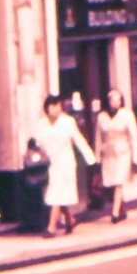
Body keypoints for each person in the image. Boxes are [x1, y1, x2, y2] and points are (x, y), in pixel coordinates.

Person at [34, 94, 96, 236]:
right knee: (59, 195)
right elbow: (37, 144)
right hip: (49, 165)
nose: (56, 108)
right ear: (47, 108)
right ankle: (69, 220)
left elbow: (78, 140)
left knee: (55, 194)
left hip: (65, 164)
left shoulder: (68, 122)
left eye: (58, 105)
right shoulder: (41, 124)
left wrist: (90, 158)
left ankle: (51, 227)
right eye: (53, 105)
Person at [95, 89, 137, 223]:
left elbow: (134, 136)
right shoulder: (102, 117)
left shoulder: (127, 115)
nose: (116, 102)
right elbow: (98, 137)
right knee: (113, 181)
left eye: (118, 100)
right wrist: (97, 156)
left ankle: (115, 212)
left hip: (123, 152)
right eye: (113, 100)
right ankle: (122, 210)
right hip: (108, 153)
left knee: (119, 181)